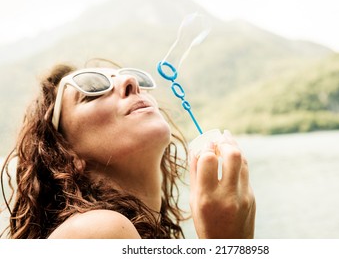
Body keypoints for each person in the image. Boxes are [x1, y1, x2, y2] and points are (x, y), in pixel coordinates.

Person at [0, 59, 256, 239]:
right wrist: (227, 242)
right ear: (65, 154)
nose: (131, 81)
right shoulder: (97, 231)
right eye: (92, 91)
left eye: (133, 77)